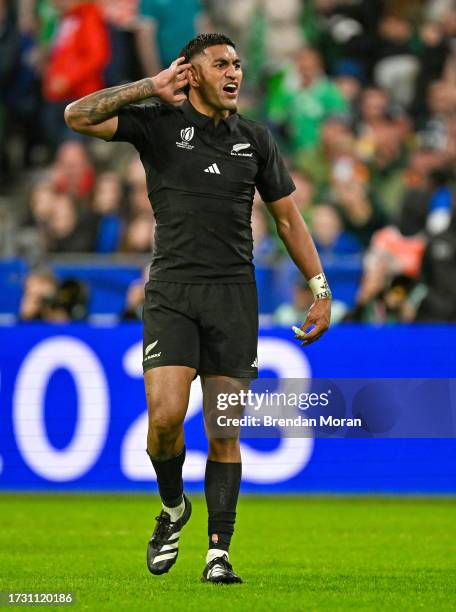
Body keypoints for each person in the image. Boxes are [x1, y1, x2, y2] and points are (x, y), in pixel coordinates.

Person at [64, 32, 331, 584]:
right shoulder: (158, 125)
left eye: (237, 64)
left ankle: (218, 553)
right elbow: (76, 115)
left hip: (233, 294)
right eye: (221, 64)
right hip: (173, 291)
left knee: (223, 429)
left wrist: (320, 289)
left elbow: (288, 220)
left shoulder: (254, 139)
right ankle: (172, 509)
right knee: (164, 422)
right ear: (190, 73)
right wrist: (147, 87)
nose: (234, 73)